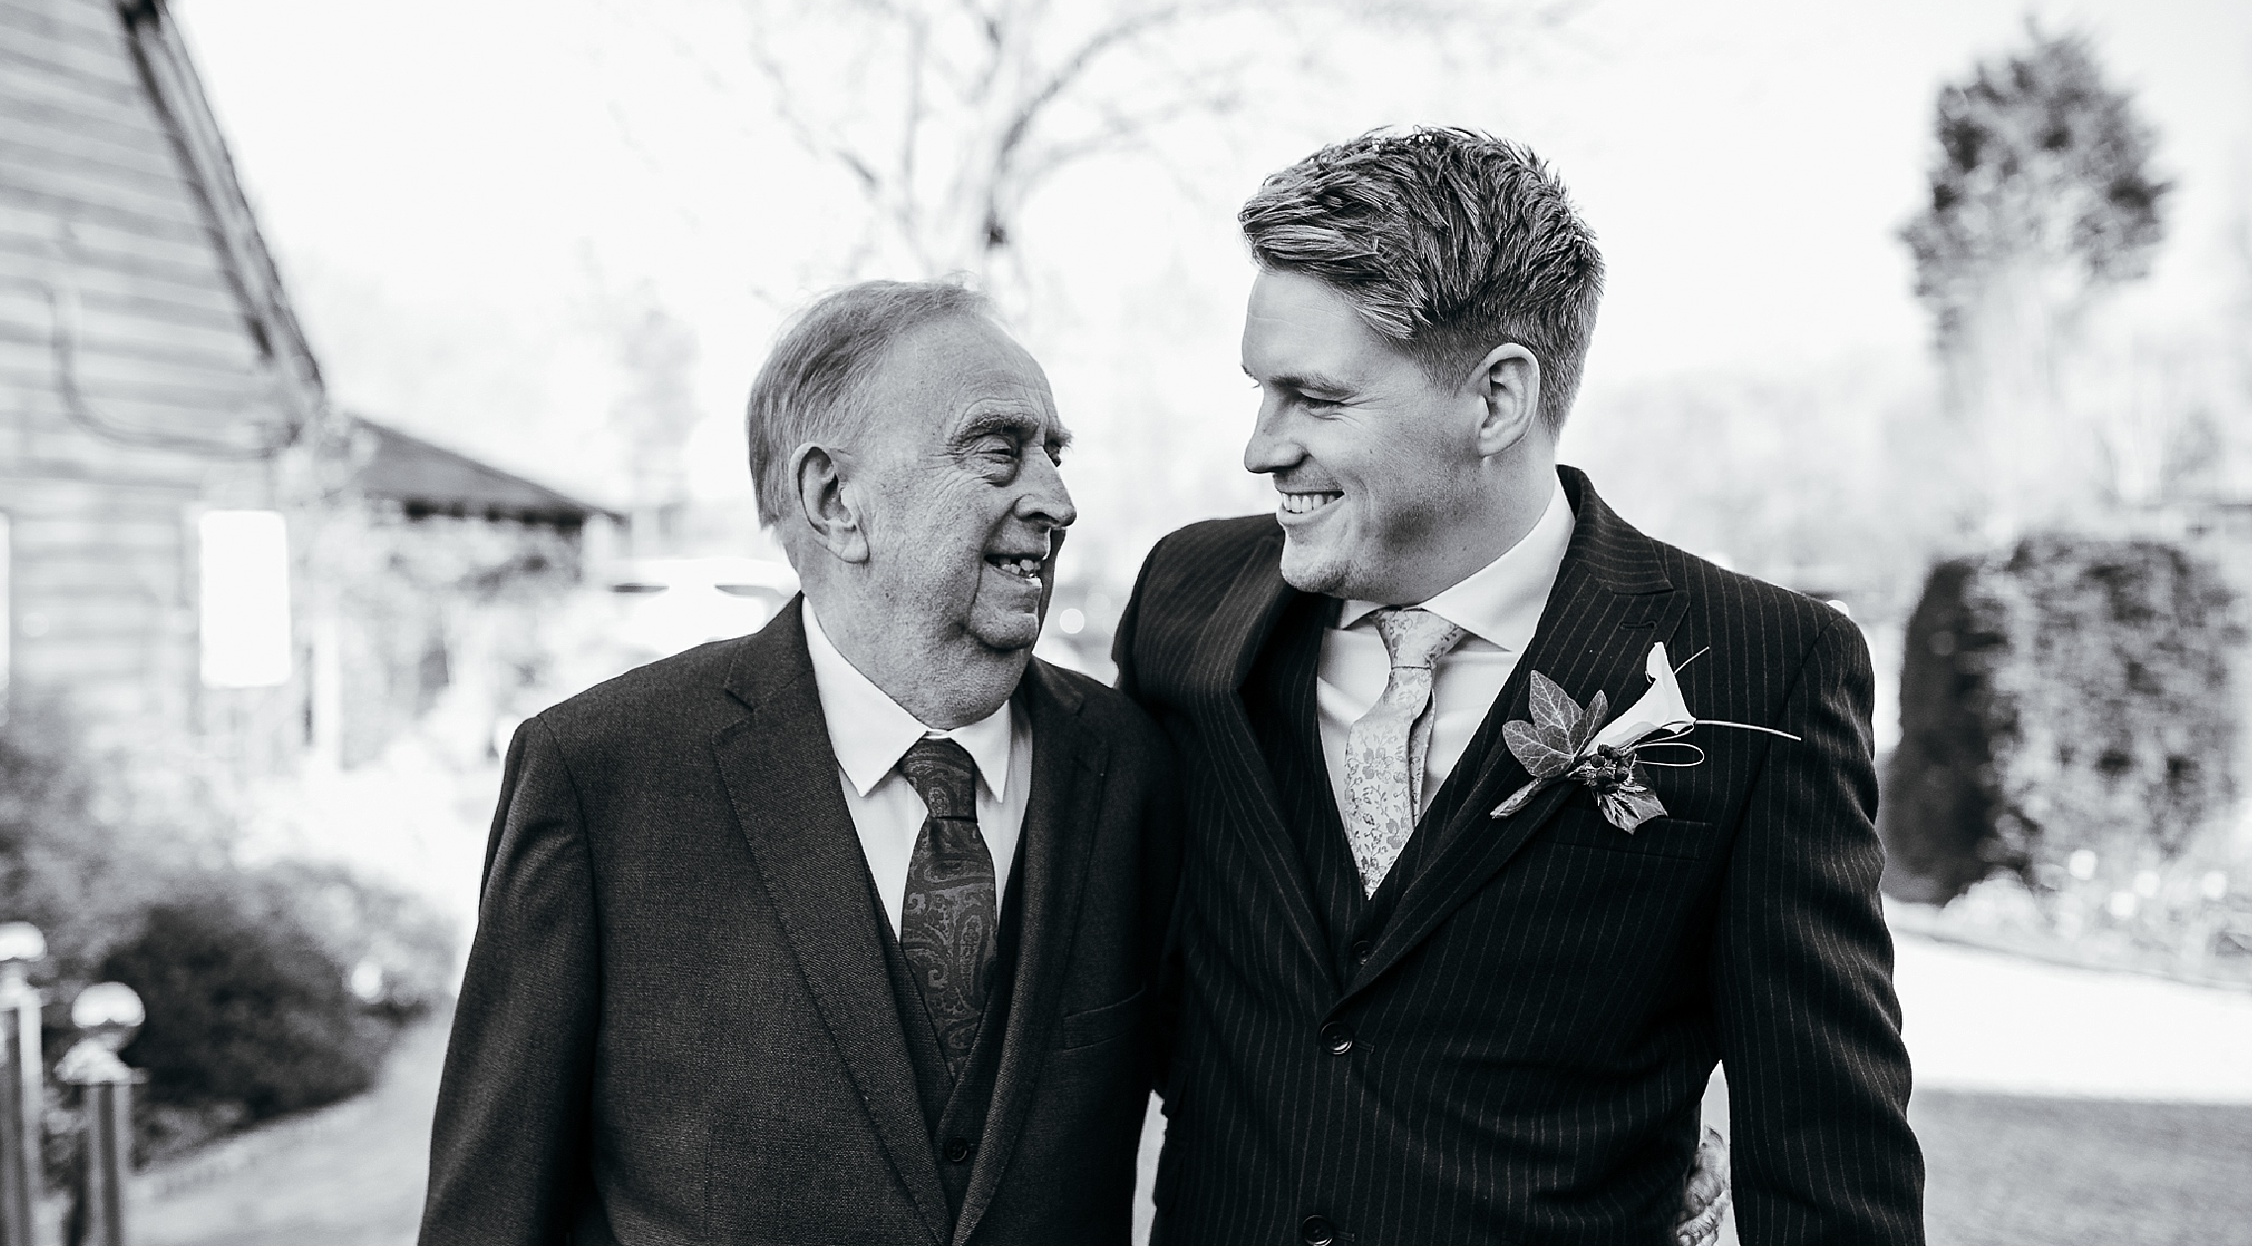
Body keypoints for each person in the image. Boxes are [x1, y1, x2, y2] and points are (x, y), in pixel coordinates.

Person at [1114, 128, 1925, 1244]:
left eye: (1317, 399)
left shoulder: (1762, 668)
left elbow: (1833, 1163)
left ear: (1496, 399)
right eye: (1262, 390)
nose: (1260, 448)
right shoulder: (1185, 603)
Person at [421, 280, 1181, 1243]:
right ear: (834, 500)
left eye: (1054, 454)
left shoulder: (1129, 768)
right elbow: (491, 1214)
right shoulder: (601, 777)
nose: (1059, 501)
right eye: (999, 452)